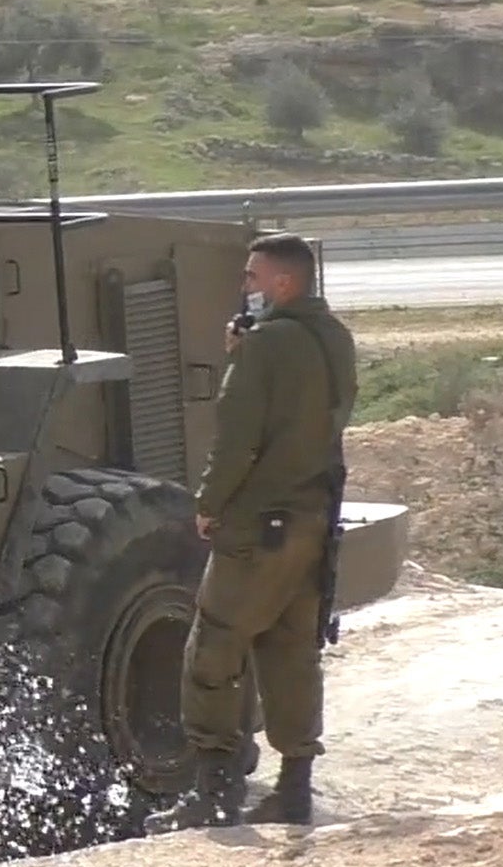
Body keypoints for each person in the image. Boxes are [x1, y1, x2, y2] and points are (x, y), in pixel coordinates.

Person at [146, 232, 357, 833]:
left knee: (214, 646)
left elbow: (237, 438)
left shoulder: (265, 347)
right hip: (313, 521)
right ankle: (294, 789)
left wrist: (209, 504)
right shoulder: (334, 338)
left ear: (283, 283)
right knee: (292, 650)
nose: (246, 288)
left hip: (258, 525)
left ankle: (214, 790)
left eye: (252, 278)